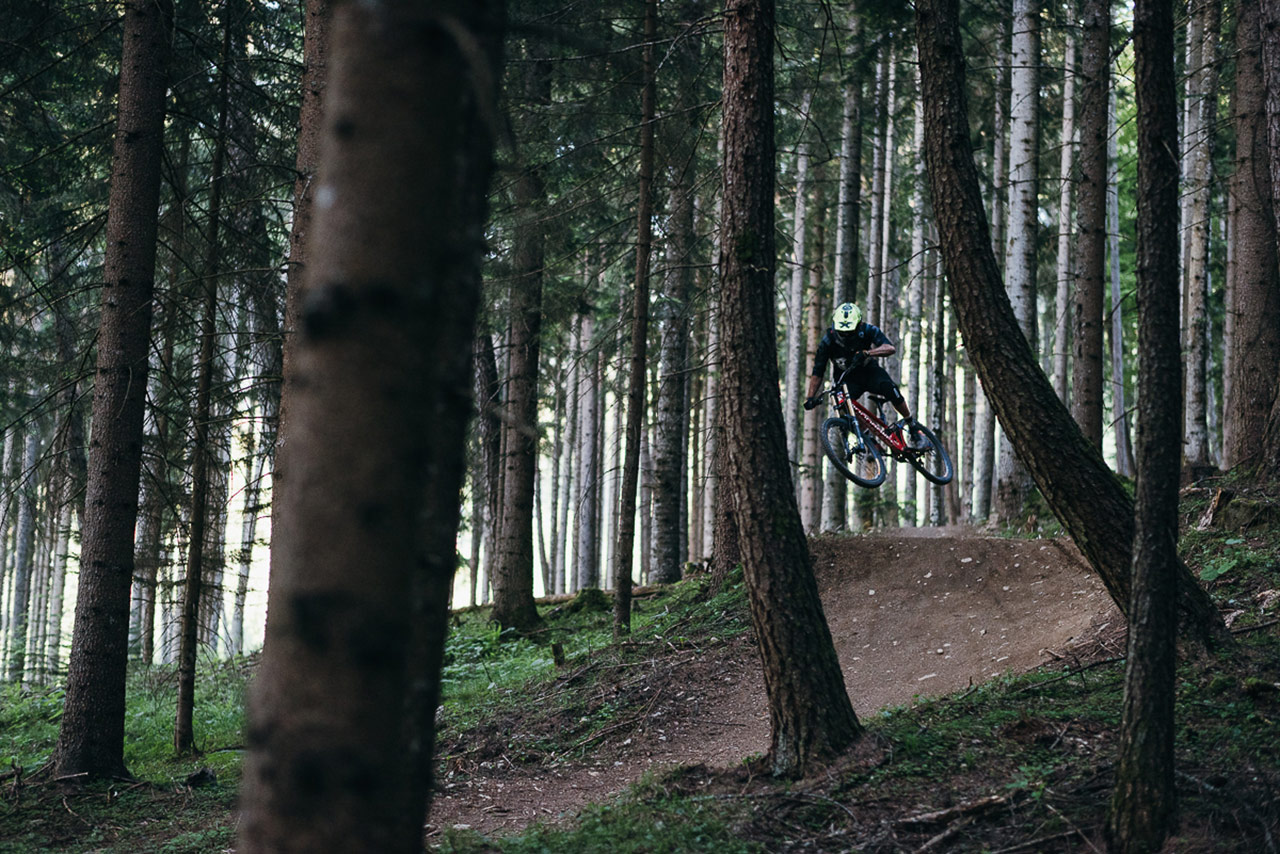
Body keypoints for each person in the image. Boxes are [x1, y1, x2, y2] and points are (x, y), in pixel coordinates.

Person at [803, 302, 923, 446]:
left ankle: (911, 423)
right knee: (842, 405)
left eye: (849, 332)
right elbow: (818, 371)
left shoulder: (868, 330)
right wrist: (810, 397)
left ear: (859, 325)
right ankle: (867, 438)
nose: (846, 336)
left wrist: (868, 353)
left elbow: (889, 348)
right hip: (846, 380)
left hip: (869, 372)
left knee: (889, 388)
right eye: (842, 332)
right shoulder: (827, 341)